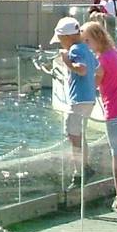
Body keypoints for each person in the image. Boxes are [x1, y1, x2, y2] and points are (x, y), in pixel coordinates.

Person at [82, 20, 117, 213]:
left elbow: (92, 84)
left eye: (87, 41)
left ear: (97, 38)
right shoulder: (115, 54)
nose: (85, 45)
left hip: (115, 109)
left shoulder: (102, 60)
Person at [48, 16, 98, 187]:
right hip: (88, 98)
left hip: (79, 99)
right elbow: (96, 68)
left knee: (72, 133)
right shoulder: (86, 48)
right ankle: (84, 167)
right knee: (79, 134)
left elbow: (82, 70)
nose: (61, 44)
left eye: (61, 40)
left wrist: (67, 61)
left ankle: (80, 171)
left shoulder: (75, 50)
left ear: (67, 37)